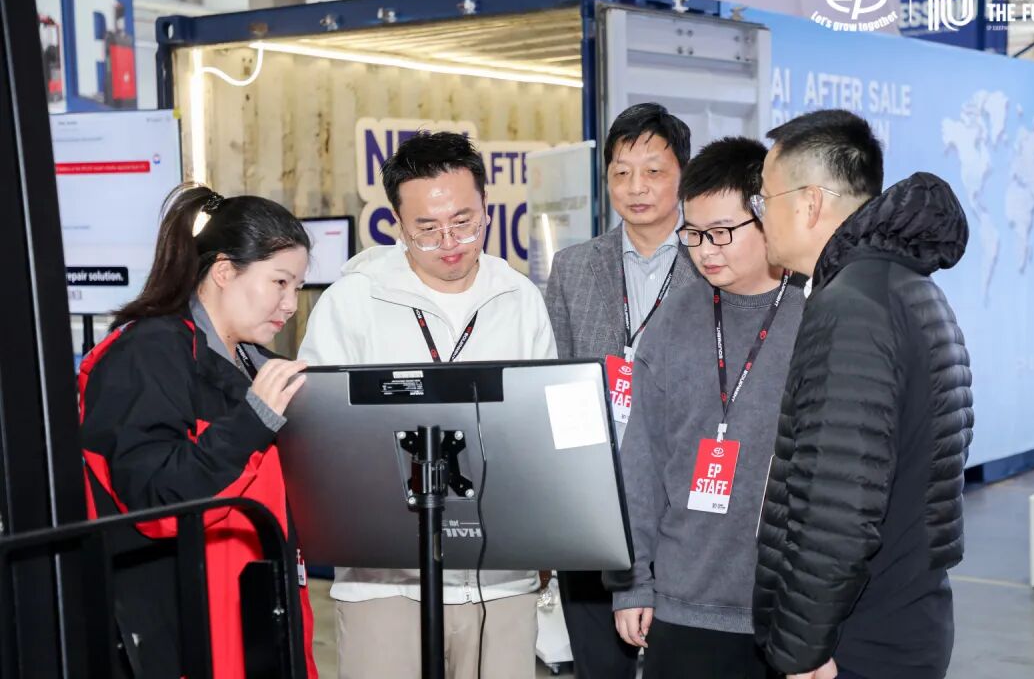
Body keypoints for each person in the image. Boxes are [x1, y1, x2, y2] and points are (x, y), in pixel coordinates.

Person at [299, 131, 556, 679]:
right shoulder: (353, 301)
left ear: (487, 209)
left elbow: (544, 434)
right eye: (427, 229)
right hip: (383, 579)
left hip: (499, 577)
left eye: (464, 222)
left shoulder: (520, 300)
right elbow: (318, 435)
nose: (449, 242)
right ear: (397, 223)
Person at [752, 109, 975, 679]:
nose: (759, 216)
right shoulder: (906, 287)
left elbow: (837, 513)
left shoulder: (852, 307)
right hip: (904, 620)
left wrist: (802, 650)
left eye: (765, 199)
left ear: (809, 203)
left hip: (856, 642)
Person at [79, 184, 318, 678]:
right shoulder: (147, 354)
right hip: (186, 630)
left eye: (296, 287)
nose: (291, 304)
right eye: (280, 282)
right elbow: (156, 498)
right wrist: (252, 421)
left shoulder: (258, 366)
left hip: (260, 612)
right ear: (225, 271)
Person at [611, 137, 801, 678]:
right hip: (683, 602)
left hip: (787, 607)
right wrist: (632, 582)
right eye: (693, 234)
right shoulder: (673, 321)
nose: (705, 250)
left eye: (721, 232)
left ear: (766, 217)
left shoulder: (816, 315)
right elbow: (641, 462)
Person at [543, 102, 700, 679]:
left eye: (654, 171)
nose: (636, 187)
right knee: (598, 664)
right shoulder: (574, 267)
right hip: (593, 499)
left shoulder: (711, 263)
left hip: (681, 501)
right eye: (621, 172)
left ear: (683, 174)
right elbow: (556, 383)